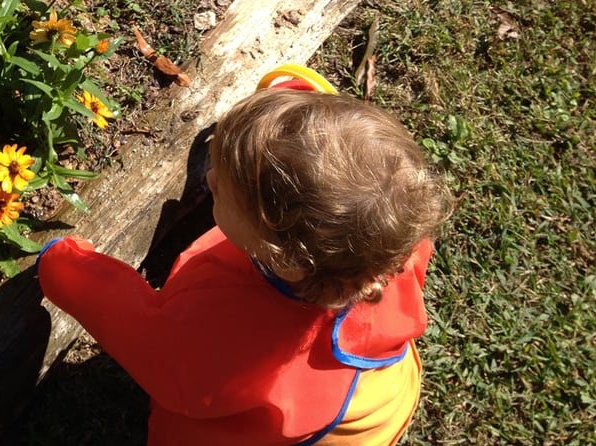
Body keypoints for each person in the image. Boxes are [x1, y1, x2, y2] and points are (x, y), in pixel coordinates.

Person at [36, 65, 451, 445]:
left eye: (221, 190)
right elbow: (340, 156)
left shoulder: (229, 336)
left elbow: (142, 332)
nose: (211, 178)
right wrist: (287, 107)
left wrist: (66, 266)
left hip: (295, 430)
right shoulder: (389, 235)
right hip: (381, 399)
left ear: (282, 259)